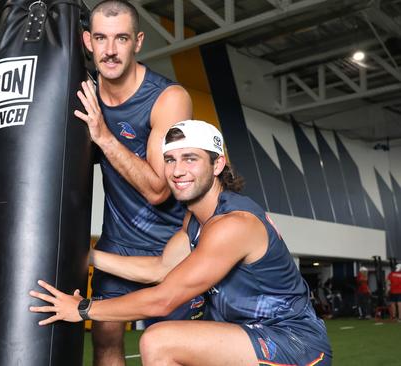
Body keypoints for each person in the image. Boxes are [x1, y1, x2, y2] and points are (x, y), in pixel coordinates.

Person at [30, 120, 332, 365]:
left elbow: (164, 299)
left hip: (293, 344)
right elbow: (159, 268)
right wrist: (88, 255)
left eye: (191, 159)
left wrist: (82, 309)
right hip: (245, 335)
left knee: (158, 341)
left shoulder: (233, 225)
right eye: (170, 160)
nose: (177, 171)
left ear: (217, 165)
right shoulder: (195, 220)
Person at [75, 1, 196, 364]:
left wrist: (104, 136)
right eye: (101, 38)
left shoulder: (168, 99)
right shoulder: (84, 94)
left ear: (138, 41)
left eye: (121, 38)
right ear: (87, 41)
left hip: (170, 248)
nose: (110, 50)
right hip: (119, 243)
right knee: (105, 340)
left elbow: (159, 189)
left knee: (165, 347)